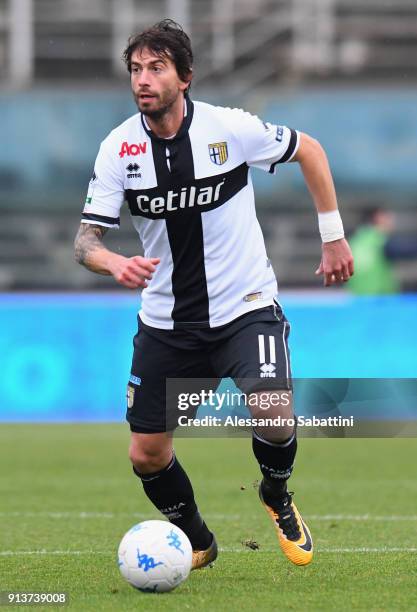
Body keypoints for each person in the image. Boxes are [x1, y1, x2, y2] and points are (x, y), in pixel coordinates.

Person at [74, 19, 354, 570]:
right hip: (166, 323)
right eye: (136, 69)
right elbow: (87, 241)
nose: (143, 80)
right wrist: (112, 262)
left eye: (157, 68)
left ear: (185, 77)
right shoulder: (118, 149)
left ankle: (276, 496)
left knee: (273, 412)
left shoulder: (229, 129)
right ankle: (197, 540)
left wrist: (333, 235)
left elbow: (310, 150)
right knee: (146, 455)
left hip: (244, 308)